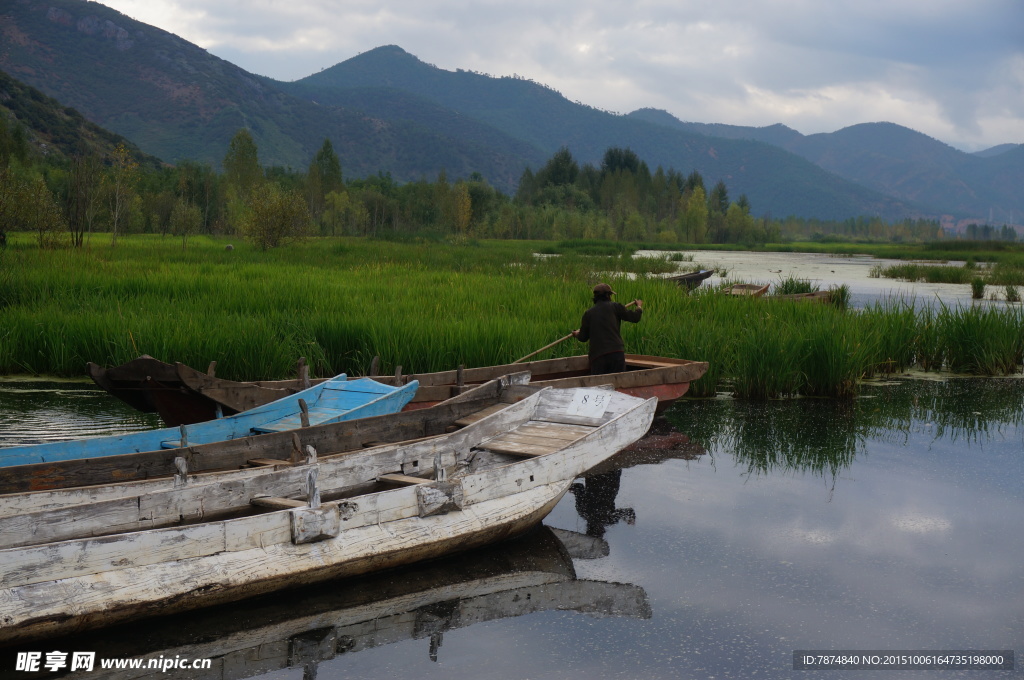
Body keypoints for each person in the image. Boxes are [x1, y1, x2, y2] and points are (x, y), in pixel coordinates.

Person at [572, 282, 642, 375]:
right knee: (619, 382)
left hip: (598, 356)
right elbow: (635, 318)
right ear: (608, 296)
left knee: (599, 387)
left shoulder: (588, 314)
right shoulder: (616, 307)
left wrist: (576, 334)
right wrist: (639, 307)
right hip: (616, 352)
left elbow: (583, 337)